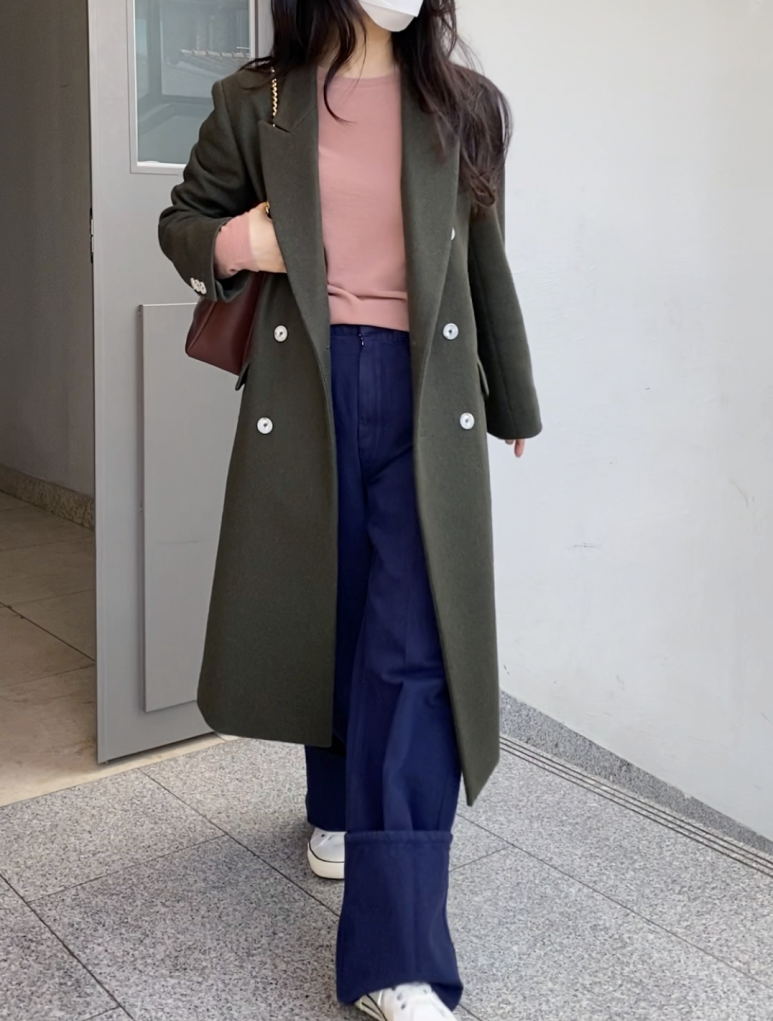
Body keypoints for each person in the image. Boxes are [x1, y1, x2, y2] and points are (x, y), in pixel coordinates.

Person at [158, 0, 541, 1017]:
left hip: (427, 400)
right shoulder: (255, 101)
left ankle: (394, 958)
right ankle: (333, 805)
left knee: (415, 656)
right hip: (307, 392)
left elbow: (483, 257)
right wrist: (239, 239)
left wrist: (512, 395)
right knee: (328, 617)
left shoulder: (462, 105)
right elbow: (182, 223)